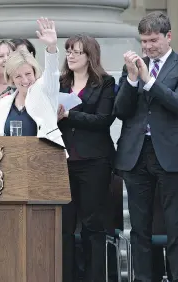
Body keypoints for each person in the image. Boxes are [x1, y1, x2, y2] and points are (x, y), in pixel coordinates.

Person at [113, 11, 178, 282]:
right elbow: (121, 111)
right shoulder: (133, 66)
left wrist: (148, 81)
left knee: (176, 226)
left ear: (168, 37)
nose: (147, 46)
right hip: (136, 154)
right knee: (139, 228)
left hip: (170, 154)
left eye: (153, 40)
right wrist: (133, 79)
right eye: (143, 41)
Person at [57, 34, 116, 281]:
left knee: (92, 224)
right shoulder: (60, 82)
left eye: (76, 52)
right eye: (68, 51)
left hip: (94, 161)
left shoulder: (104, 82)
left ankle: (95, 277)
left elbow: (104, 120)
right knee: (64, 226)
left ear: (89, 56)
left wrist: (69, 115)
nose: (70, 56)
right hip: (63, 160)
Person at [0, 17, 64, 148]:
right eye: (18, 76)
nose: (25, 80)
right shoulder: (5, 103)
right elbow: (0, 140)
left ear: (35, 72)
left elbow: (52, 72)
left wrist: (52, 47)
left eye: (28, 74)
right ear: (11, 79)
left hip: (44, 161)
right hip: (13, 163)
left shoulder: (46, 92)